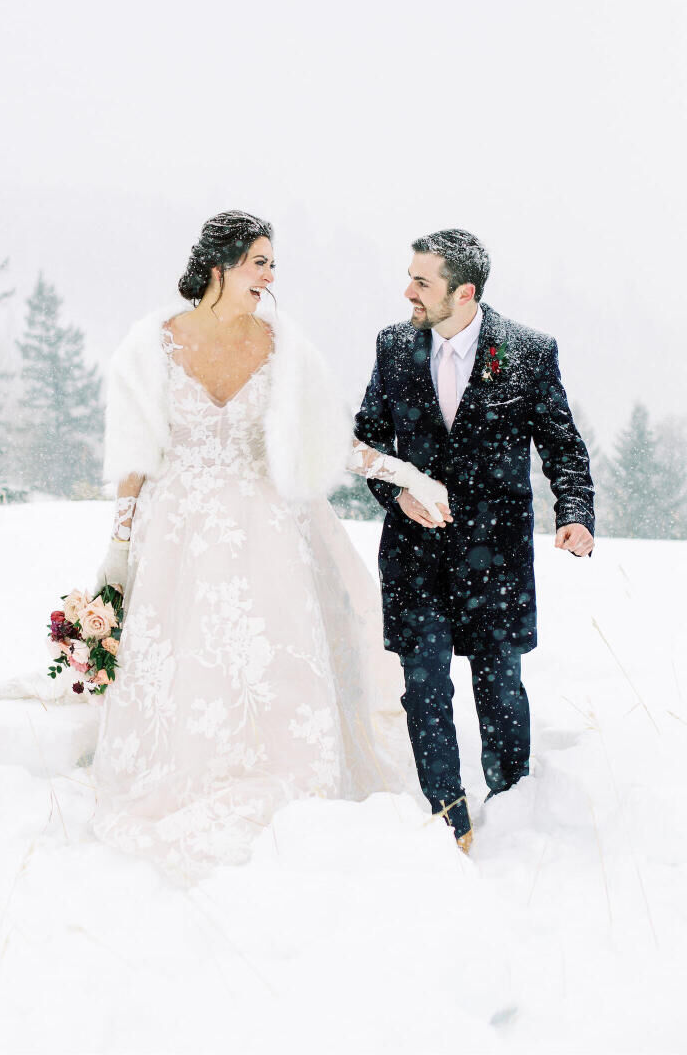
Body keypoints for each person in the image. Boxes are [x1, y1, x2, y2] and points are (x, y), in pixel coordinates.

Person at [89, 210, 450, 882]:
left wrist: (403, 473)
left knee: (275, 660)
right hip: (181, 535)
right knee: (191, 661)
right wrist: (119, 545)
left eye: (273, 264)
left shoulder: (284, 345)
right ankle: (184, 774)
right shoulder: (153, 344)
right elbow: (134, 453)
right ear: (219, 265)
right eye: (260, 261)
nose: (270, 276)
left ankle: (292, 786)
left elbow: (326, 440)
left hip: (270, 532)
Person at [354, 229, 595, 852]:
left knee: (499, 685)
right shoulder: (392, 346)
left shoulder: (528, 352)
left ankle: (512, 809)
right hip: (412, 554)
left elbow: (563, 446)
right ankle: (447, 815)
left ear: (463, 293)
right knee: (425, 682)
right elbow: (367, 442)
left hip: (497, 556)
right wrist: (399, 494)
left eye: (421, 281)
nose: (407, 290)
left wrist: (576, 513)